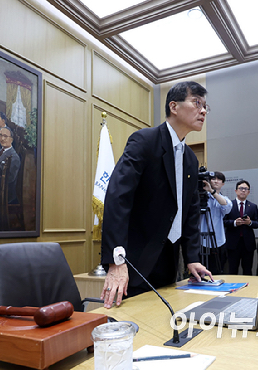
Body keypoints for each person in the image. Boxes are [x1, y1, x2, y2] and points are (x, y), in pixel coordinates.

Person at [100, 81, 212, 309]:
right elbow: (117, 197)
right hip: (135, 260)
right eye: (196, 102)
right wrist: (116, 261)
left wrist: (192, 257)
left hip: (170, 262)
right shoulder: (144, 141)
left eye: (205, 106)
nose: (203, 111)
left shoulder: (190, 159)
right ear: (174, 106)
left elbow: (189, 211)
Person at [223, 180, 258, 275]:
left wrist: (249, 222)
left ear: (248, 192)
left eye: (246, 189)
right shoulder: (229, 205)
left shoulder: (253, 206)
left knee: (247, 269)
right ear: (236, 191)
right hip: (232, 243)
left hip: (248, 243)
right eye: (241, 188)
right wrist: (234, 223)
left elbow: (257, 224)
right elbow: (223, 222)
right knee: (232, 269)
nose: (243, 191)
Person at [200, 171, 232, 275]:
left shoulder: (224, 199)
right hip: (201, 240)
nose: (216, 181)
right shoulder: (201, 198)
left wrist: (212, 192)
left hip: (218, 240)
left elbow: (227, 207)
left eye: (219, 179)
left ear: (223, 184)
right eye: (213, 179)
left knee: (217, 271)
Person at [0, 127, 21, 204]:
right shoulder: (1, 150)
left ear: (11, 139)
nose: (2, 138)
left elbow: (9, 179)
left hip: (5, 193)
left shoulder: (14, 157)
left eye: (5, 136)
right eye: (0, 135)